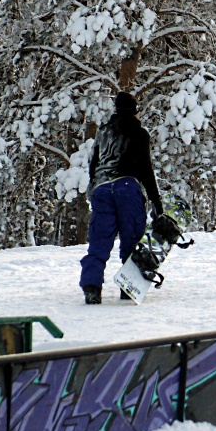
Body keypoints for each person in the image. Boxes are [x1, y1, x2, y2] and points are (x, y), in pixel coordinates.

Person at [80, 91, 163, 304]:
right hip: (127, 186)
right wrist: (155, 200)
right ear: (135, 111)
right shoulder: (139, 133)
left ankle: (91, 285)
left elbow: (94, 164)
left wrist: (94, 188)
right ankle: (129, 285)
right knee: (132, 239)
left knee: (99, 240)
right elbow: (145, 168)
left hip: (101, 188)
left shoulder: (103, 132)